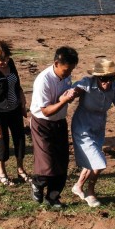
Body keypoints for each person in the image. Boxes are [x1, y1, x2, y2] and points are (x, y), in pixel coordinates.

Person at [70, 58, 115, 208]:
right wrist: (73, 92)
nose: (107, 82)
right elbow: (73, 90)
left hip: (98, 127)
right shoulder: (87, 83)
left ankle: (78, 186)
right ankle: (90, 192)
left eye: (111, 78)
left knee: (92, 159)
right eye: (103, 78)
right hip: (82, 126)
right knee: (99, 162)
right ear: (97, 77)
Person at [29, 46, 80, 209]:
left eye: (71, 70)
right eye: (66, 70)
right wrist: (64, 101)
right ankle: (37, 183)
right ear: (56, 63)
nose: (68, 73)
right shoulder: (43, 80)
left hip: (59, 122)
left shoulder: (66, 76)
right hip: (42, 123)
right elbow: (46, 110)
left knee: (61, 162)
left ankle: (53, 197)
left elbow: (61, 99)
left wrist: (71, 95)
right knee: (47, 163)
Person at [0, 40, 31, 186]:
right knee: (2, 144)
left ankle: (20, 169)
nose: (3, 63)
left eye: (5, 60)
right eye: (0, 60)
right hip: (0, 114)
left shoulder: (11, 65)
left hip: (15, 110)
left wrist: (22, 98)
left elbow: (17, 84)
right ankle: (1, 172)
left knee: (20, 140)